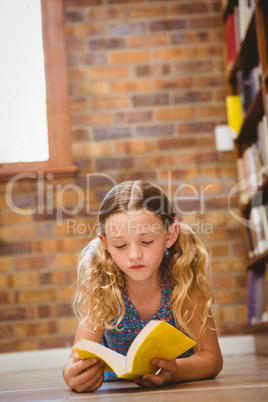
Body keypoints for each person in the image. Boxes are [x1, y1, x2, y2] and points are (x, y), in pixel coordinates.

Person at [63, 180, 223, 392]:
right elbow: (76, 358)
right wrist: (71, 373)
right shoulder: (101, 285)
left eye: (146, 241)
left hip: (177, 385)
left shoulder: (183, 281)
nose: (134, 255)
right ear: (106, 244)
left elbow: (212, 359)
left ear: (170, 235)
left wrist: (175, 371)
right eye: (120, 245)